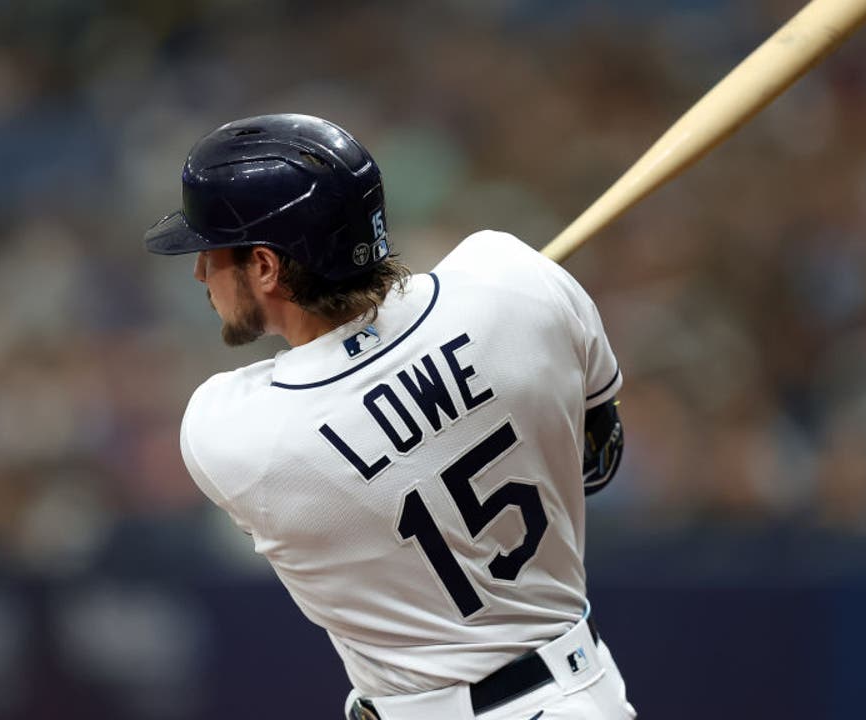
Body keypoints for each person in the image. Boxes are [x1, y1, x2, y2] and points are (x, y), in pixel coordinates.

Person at [143, 113, 636, 720]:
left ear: (267, 268)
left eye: (212, 251)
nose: (200, 272)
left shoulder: (234, 433)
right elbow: (598, 455)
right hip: (573, 692)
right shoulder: (513, 278)